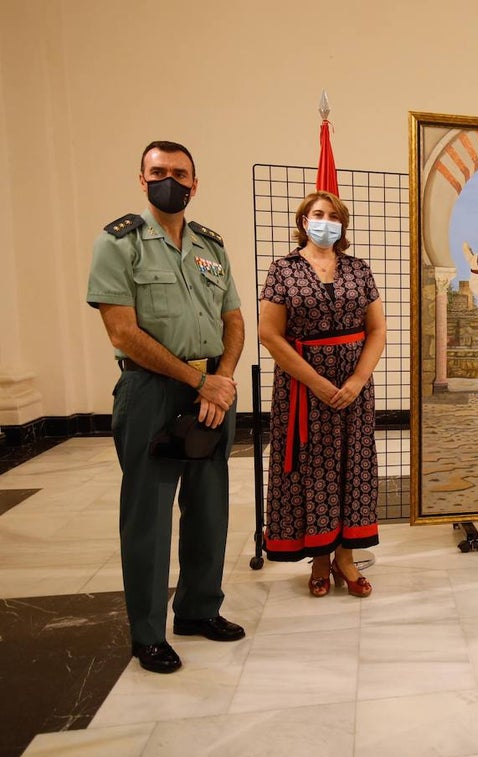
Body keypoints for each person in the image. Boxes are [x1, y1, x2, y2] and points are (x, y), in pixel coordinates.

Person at [86, 140, 246, 674]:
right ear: (142, 179)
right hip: (151, 391)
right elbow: (123, 331)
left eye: (180, 172)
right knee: (148, 517)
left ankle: (199, 610)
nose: (170, 180)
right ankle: (148, 632)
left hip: (210, 389)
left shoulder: (210, 246)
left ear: (195, 183)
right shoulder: (120, 244)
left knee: (209, 508)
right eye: (159, 172)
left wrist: (220, 379)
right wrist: (197, 381)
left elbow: (233, 320)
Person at [258, 190, 386, 598]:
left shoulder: (359, 270)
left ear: (342, 224)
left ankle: (345, 557)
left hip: (354, 389)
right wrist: (315, 382)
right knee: (313, 467)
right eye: (318, 214)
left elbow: (378, 330)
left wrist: (357, 380)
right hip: (302, 388)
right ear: (303, 220)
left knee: (353, 465)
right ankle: (318, 556)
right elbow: (269, 333)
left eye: (333, 215)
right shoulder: (283, 270)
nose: (325, 220)